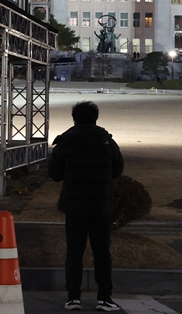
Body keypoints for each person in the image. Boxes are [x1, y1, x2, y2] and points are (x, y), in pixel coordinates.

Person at [48, 101, 124, 312]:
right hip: (101, 206)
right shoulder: (107, 141)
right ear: (95, 117)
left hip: (75, 206)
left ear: (75, 118)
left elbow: (54, 174)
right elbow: (117, 169)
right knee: (102, 253)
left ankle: (73, 298)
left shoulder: (65, 142)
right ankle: (105, 298)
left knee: (74, 253)